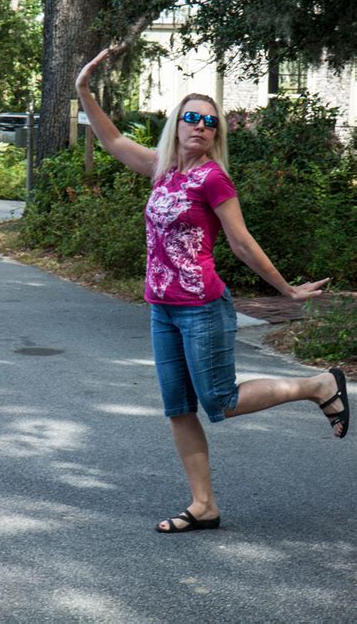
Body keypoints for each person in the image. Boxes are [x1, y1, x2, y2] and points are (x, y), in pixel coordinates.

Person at [75, 48, 350, 534]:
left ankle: (318, 385)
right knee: (178, 409)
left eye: (209, 121)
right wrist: (83, 90)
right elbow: (113, 139)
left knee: (220, 401)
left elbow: (241, 243)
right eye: (191, 118)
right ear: (177, 125)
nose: (200, 126)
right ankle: (204, 505)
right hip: (162, 308)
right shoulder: (163, 170)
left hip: (202, 307)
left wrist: (286, 289)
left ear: (215, 132)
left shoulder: (213, 178)